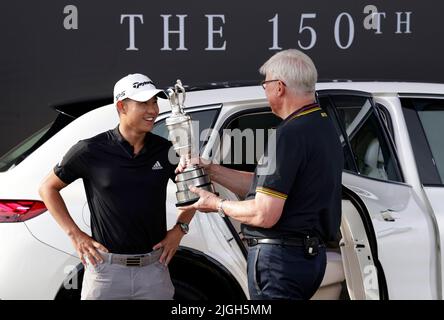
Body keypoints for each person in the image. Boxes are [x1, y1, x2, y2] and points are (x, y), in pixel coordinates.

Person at [178, 49, 344, 300]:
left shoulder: (288, 135)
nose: (264, 91)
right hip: (308, 260)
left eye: (265, 84)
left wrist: (217, 204)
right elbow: (263, 188)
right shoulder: (323, 126)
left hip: (280, 263)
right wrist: (210, 170)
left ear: (279, 87)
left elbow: (265, 213)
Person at [39, 73, 193, 300]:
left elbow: (196, 192)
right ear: (121, 106)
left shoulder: (166, 150)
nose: (153, 110)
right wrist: (75, 235)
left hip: (154, 270)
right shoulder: (90, 150)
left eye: (154, 102)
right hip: (104, 272)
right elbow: (47, 188)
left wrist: (180, 229)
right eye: (143, 103)